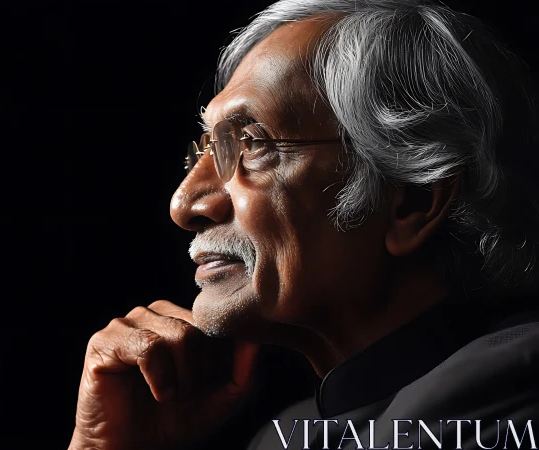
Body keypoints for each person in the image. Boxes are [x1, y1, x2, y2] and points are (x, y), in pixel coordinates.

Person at [69, 1, 539, 449]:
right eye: (207, 150)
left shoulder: (509, 404)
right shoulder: (288, 434)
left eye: (251, 144)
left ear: (412, 201)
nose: (184, 203)